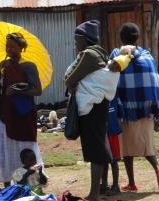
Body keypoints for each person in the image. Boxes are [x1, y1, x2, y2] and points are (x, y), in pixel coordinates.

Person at [64, 20, 123, 201]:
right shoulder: (101, 53)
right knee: (100, 146)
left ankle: (94, 194)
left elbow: (69, 77)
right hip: (100, 105)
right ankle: (102, 187)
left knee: (95, 151)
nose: (75, 44)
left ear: (83, 38)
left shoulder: (89, 54)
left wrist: (72, 82)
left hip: (92, 107)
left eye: (76, 40)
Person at [0, 32, 43, 187]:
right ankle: (8, 188)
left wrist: (17, 91)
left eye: (12, 46)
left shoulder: (28, 66)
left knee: (25, 149)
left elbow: (37, 90)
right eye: (7, 45)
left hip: (22, 114)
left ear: (21, 48)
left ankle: (31, 186)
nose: (8, 49)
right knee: (4, 151)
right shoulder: (2, 66)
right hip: (3, 114)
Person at [110, 22, 159, 192]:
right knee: (147, 144)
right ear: (137, 38)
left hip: (125, 109)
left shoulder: (117, 54)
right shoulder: (147, 56)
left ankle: (132, 182)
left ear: (120, 37)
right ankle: (158, 170)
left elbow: (110, 76)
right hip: (146, 108)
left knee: (126, 147)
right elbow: (155, 82)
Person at [101, 98, 122, 196]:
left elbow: (120, 112)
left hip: (112, 131)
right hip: (102, 132)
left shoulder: (114, 94)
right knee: (104, 160)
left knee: (113, 160)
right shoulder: (98, 95)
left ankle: (115, 186)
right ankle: (104, 185)